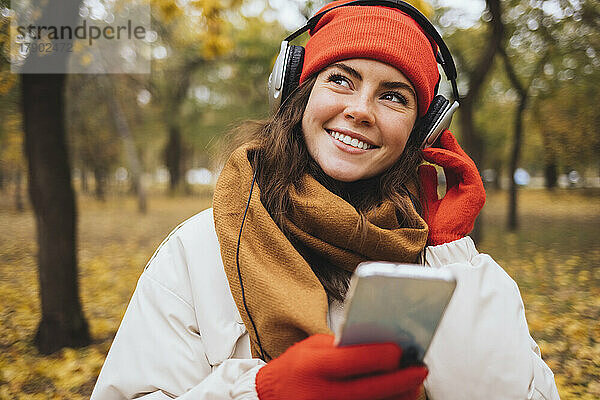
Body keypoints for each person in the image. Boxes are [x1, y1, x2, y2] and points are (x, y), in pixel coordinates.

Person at [91, 1, 560, 399]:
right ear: (298, 91)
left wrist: (450, 254)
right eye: (341, 79)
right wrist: (260, 392)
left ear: (425, 129)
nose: (360, 109)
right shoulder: (196, 249)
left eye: (394, 97)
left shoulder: (441, 259)